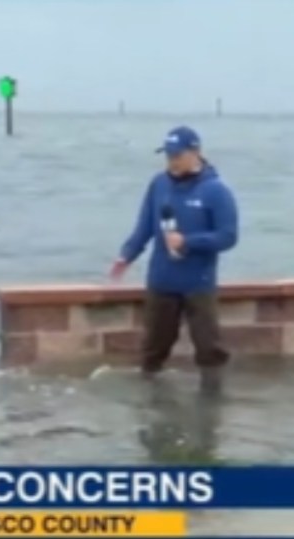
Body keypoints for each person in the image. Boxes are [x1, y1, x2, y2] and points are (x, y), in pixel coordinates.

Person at [110, 126, 239, 388]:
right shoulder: (159, 185)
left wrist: (189, 242)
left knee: (208, 349)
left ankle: (211, 405)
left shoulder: (215, 191)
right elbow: (145, 226)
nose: (172, 162)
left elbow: (228, 236)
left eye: (177, 156)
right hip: (162, 280)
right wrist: (126, 256)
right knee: (153, 348)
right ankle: (150, 402)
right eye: (168, 156)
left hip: (198, 283)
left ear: (196, 153)